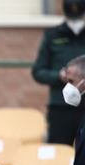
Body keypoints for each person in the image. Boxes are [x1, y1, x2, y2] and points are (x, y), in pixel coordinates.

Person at [32, 0, 85, 145]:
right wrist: (58, 75)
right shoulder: (53, 35)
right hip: (61, 106)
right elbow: (38, 71)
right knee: (58, 151)